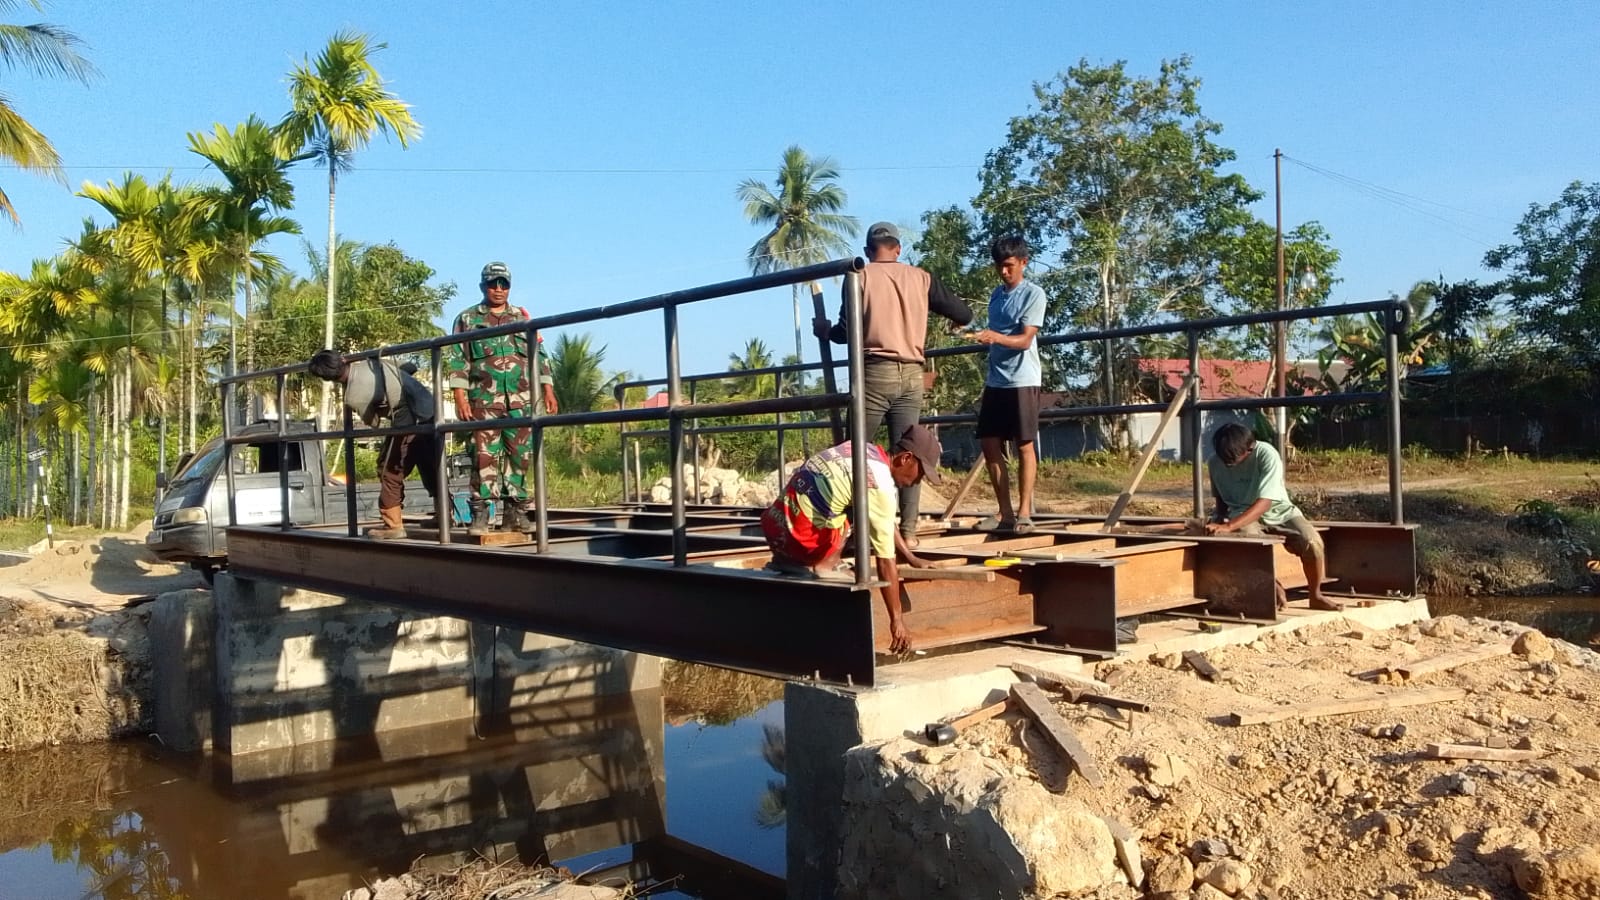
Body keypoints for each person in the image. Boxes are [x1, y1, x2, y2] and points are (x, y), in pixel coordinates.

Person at [817, 221, 972, 547]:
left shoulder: (858, 275)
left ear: (867, 252)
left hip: (875, 373)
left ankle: (855, 530)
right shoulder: (921, 278)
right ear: (898, 249)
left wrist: (826, 331)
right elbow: (963, 313)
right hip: (913, 375)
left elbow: (846, 332)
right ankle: (909, 531)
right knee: (911, 454)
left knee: (855, 451)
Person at [761, 424, 943, 653]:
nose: (918, 482)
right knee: (852, 519)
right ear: (906, 458)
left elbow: (884, 520)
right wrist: (897, 620)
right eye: (921, 473)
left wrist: (910, 557)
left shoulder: (864, 451)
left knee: (854, 508)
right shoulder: (881, 485)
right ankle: (822, 566)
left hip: (774, 523)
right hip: (803, 538)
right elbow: (885, 561)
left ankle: (789, 560)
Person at [443, 262, 559, 535]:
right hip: (483, 402)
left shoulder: (522, 317)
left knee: (520, 456)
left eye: (503, 284)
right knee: (483, 457)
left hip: (521, 401)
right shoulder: (468, 319)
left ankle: (515, 513)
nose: (499, 289)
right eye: (493, 283)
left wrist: (548, 389)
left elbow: (539, 356)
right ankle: (481, 514)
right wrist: (460, 397)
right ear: (483, 285)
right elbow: (458, 359)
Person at [1206, 422, 1342, 611]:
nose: (1228, 463)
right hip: (1240, 513)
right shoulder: (1214, 462)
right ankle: (1272, 585)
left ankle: (1316, 595)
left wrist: (1229, 527)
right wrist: (1219, 520)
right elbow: (1220, 497)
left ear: (1249, 449)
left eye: (1233, 459)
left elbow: (1265, 502)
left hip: (1278, 510)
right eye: (1224, 459)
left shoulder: (1266, 454)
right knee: (1248, 542)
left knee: (1312, 541)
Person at [307, 349, 438, 540]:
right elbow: (410, 367)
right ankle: (444, 514)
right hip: (432, 409)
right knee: (428, 464)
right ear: (343, 358)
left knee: (388, 471)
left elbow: (373, 421)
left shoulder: (353, 395)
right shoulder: (369, 361)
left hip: (410, 420)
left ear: (328, 379)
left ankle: (393, 525)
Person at [969, 235, 1049, 534]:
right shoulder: (996, 295)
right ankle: (1005, 513)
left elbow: (1025, 339)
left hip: (1022, 379)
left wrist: (994, 337)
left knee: (1024, 443)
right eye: (999, 267)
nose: (1004, 272)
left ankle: (1025, 512)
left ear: (1023, 263)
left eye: (1009, 266)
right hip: (996, 380)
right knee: (989, 442)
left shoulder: (1033, 294)